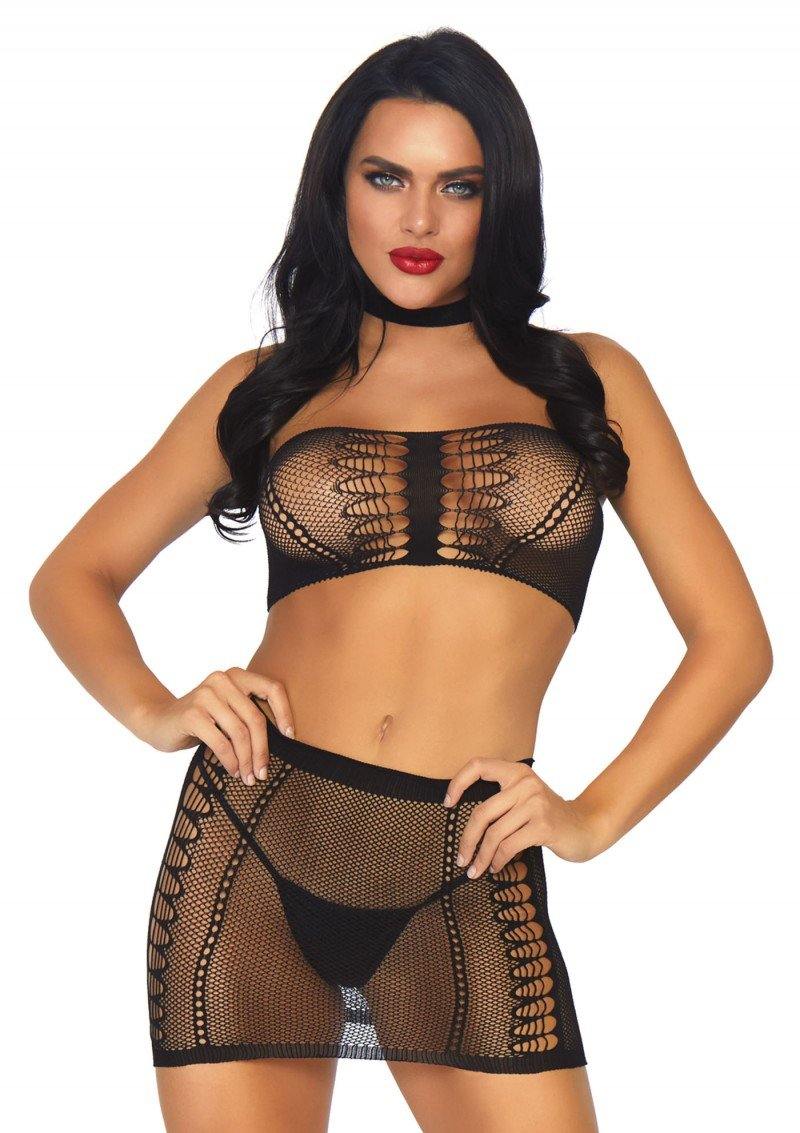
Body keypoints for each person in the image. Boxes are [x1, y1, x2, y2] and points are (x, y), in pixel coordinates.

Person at [28, 28, 772, 1133]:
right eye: (386, 178)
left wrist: (589, 816)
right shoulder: (272, 385)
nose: (418, 220)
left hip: (466, 863)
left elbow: (733, 641)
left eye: (456, 186)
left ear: (498, 200)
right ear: (337, 189)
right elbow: (72, 575)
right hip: (253, 839)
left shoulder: (586, 379)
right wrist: (155, 707)